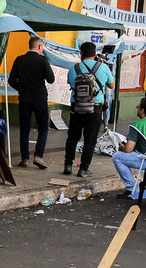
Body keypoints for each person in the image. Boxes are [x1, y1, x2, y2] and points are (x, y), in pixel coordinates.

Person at [63, 41, 115, 177]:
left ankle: (68, 165)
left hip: (77, 107)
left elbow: (70, 83)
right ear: (94, 54)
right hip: (95, 108)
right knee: (90, 139)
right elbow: (111, 85)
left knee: (72, 137)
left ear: (81, 54)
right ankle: (83, 168)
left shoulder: (74, 68)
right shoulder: (103, 67)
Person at [8, 35, 55, 169]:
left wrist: (22, 89)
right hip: (40, 98)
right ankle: (38, 156)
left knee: (24, 128)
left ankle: (25, 159)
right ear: (40, 47)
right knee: (43, 128)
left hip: (24, 98)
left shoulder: (19, 60)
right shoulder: (43, 60)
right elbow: (51, 79)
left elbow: (11, 81)